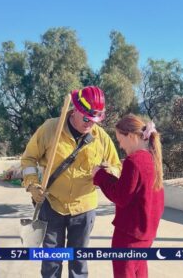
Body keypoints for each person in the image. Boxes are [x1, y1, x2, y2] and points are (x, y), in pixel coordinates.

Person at [21, 86, 121, 278]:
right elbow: (28, 159)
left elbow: (117, 166)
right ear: (75, 110)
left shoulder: (101, 138)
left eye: (95, 120)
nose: (90, 124)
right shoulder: (51, 129)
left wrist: (109, 171)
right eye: (86, 119)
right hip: (52, 206)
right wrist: (32, 184)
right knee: (51, 263)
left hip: (84, 210)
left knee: (79, 263)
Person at [92, 114, 164, 278]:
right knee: (140, 271)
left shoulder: (133, 160)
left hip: (130, 235)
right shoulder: (152, 157)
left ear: (131, 136)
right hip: (146, 233)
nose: (120, 145)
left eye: (120, 140)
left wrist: (100, 175)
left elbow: (121, 196)